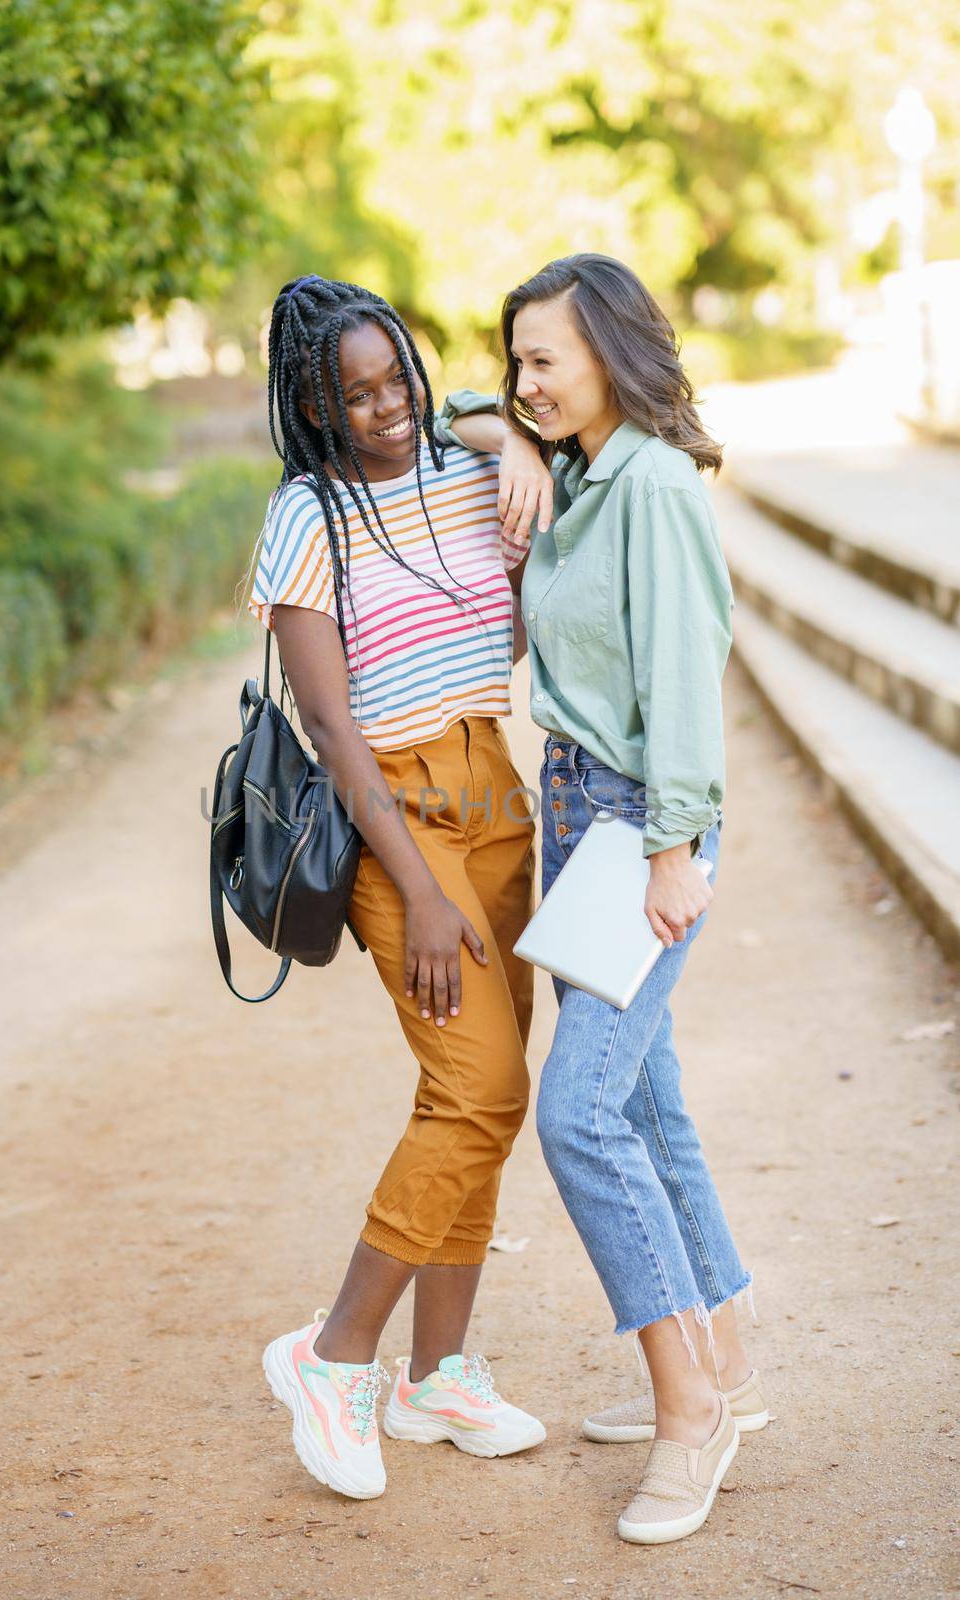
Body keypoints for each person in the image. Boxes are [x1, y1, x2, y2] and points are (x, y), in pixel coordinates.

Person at [439, 253, 768, 1546]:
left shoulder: (651, 490)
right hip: (577, 806)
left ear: (610, 355)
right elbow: (449, 397)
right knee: (641, 1096)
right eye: (516, 359)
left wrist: (675, 848)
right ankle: (728, 1363)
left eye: (542, 361)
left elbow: (686, 671)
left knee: (576, 1115)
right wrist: (489, 422)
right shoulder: (572, 471)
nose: (523, 381)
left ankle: (690, 1413)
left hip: (639, 819)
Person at [244, 275, 550, 1502]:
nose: (381, 408)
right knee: (475, 1087)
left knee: (489, 1098)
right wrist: (419, 890)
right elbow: (330, 728)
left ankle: (440, 1375)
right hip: (400, 828)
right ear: (309, 408)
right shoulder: (304, 520)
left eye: (394, 381)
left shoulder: (471, 470)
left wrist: (498, 426)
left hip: (499, 797)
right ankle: (335, 1355)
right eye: (349, 394)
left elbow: (515, 616)